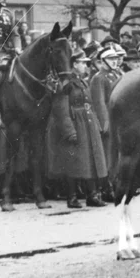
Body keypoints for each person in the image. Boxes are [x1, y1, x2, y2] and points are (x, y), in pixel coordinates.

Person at [48, 51, 108, 208]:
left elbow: (90, 103)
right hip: (75, 124)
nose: (86, 65)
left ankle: (92, 195)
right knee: (75, 162)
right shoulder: (66, 83)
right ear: (74, 64)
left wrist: (96, 123)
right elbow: (61, 108)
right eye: (82, 62)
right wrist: (69, 130)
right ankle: (72, 197)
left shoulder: (82, 81)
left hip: (87, 124)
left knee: (90, 161)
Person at [89, 46, 123, 201]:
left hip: (119, 118)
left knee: (116, 154)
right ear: (102, 61)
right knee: (108, 155)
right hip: (109, 119)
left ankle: (116, 184)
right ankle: (107, 188)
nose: (114, 61)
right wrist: (105, 123)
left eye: (115, 59)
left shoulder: (114, 74)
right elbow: (99, 102)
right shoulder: (98, 78)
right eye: (110, 59)